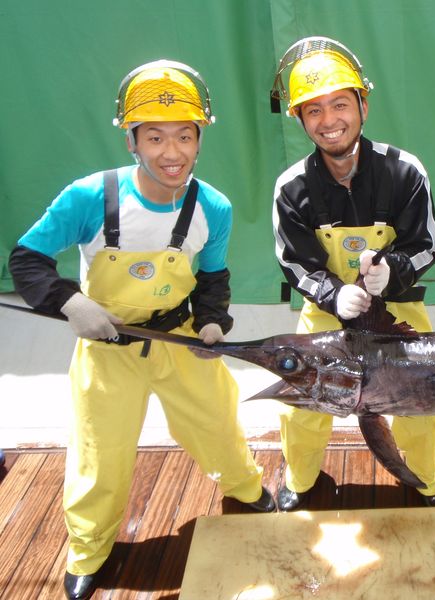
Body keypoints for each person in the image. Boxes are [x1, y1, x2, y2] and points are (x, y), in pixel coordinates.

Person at [8, 60, 275, 600]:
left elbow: (213, 277)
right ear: (131, 140)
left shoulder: (213, 207)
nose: (171, 152)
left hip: (179, 342)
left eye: (184, 136)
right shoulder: (90, 196)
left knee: (217, 422)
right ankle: (88, 549)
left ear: (200, 139)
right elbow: (27, 259)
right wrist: (71, 302)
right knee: (99, 453)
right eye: (154, 137)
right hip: (106, 349)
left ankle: (247, 489)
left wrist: (212, 321)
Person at [270, 37, 435, 510]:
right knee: (302, 407)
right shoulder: (291, 188)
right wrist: (333, 295)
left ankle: (427, 480)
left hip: (399, 312)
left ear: (363, 106)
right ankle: (300, 480)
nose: (329, 120)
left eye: (340, 104)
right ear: (301, 119)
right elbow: (295, 262)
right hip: (325, 315)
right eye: (314, 110)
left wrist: (394, 272)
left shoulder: (405, 172)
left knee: (419, 404)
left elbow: (427, 246)